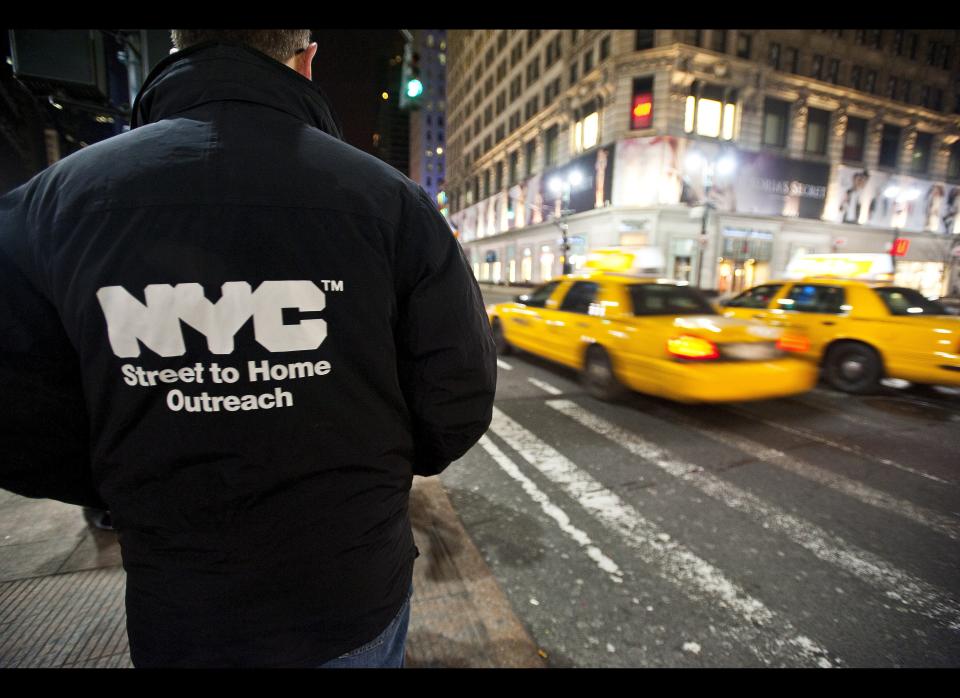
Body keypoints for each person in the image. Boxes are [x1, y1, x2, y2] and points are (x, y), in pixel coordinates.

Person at [0, 30, 496, 668]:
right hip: (350, 592)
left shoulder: (51, 205)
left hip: (182, 604)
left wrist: (131, 480)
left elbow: (15, 415)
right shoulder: (390, 202)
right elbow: (458, 395)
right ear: (307, 58)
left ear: (176, 46)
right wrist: (370, 473)